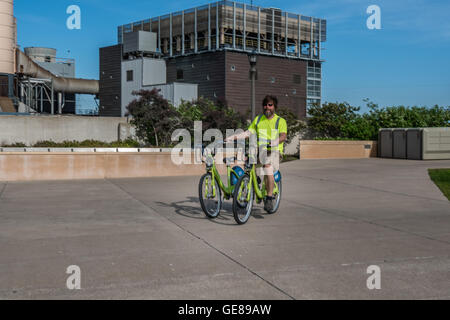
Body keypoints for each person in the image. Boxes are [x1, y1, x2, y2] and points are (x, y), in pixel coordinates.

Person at [225, 95, 287, 212]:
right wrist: (233, 137)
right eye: (265, 105)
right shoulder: (258, 119)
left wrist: (274, 141)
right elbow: (248, 132)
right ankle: (255, 179)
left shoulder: (280, 121)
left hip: (274, 150)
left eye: (270, 105)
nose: (267, 107)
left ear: (274, 107)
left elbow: (283, 136)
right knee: (246, 162)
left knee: (267, 166)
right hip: (260, 150)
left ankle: (268, 197)